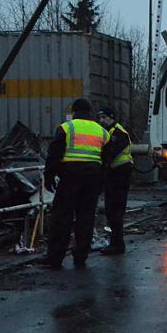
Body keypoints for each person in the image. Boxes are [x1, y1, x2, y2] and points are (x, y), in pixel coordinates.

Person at [37, 98, 111, 269]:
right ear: (90, 111)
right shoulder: (101, 131)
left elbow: (53, 155)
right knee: (86, 217)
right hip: (92, 178)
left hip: (70, 176)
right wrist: (101, 181)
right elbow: (107, 160)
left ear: (74, 111)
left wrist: (49, 178)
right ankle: (81, 256)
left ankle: (55, 258)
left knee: (62, 217)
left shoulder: (66, 128)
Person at [97, 107, 133, 255]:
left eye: (104, 117)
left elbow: (110, 153)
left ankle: (117, 245)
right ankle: (115, 243)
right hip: (114, 175)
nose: (101, 121)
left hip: (120, 174)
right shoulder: (109, 133)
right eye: (100, 118)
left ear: (111, 118)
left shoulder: (118, 133)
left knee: (115, 211)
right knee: (112, 211)